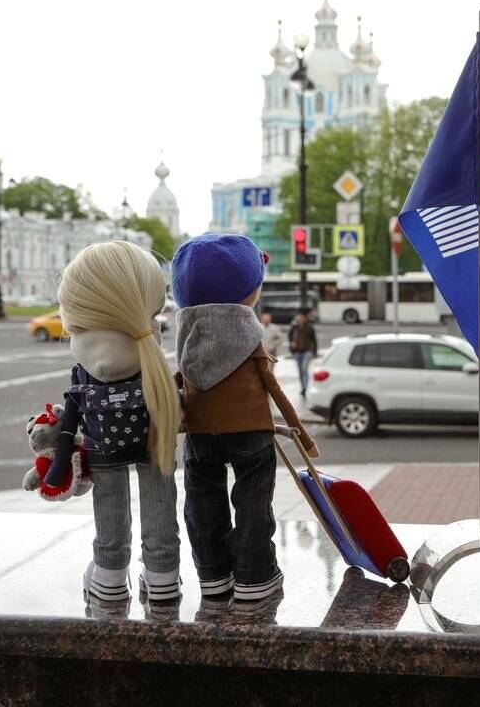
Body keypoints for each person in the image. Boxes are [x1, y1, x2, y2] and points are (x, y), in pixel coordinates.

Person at [171, 233, 318, 604]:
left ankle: (213, 576)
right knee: (253, 501)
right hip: (251, 428)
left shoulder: (188, 338)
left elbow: (176, 382)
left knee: (201, 502)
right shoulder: (249, 338)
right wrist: (300, 431)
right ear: (250, 291)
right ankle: (255, 577)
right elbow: (275, 389)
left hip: (200, 430)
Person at [43, 241, 182, 608]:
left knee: (109, 507)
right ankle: (163, 576)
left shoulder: (85, 370)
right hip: (155, 440)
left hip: (101, 445)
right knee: (161, 501)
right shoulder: (150, 358)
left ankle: (109, 576)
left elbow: (71, 420)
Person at [289, 310, 317, 397]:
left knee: (304, 369)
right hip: (297, 352)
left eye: (301, 317)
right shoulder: (294, 327)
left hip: (307, 351)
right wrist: (292, 347)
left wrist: (314, 352)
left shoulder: (309, 327)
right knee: (300, 371)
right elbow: (290, 338)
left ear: (304, 318)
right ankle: (303, 388)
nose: (299, 318)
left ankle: (305, 388)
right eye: (298, 316)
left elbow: (314, 340)